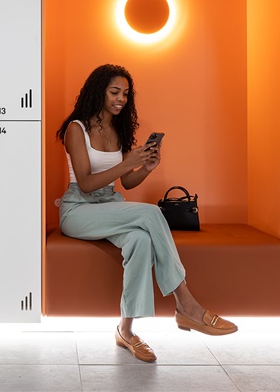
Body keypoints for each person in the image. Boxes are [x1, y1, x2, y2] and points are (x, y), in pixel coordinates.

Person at [56, 64, 237, 363]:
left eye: (126, 94)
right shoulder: (78, 129)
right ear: (98, 92)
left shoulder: (118, 129)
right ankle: (187, 305)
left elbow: (125, 182)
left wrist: (145, 168)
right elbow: (86, 184)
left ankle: (125, 331)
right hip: (78, 209)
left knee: (140, 241)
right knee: (152, 214)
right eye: (115, 92)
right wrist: (127, 164)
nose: (121, 99)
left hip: (110, 205)